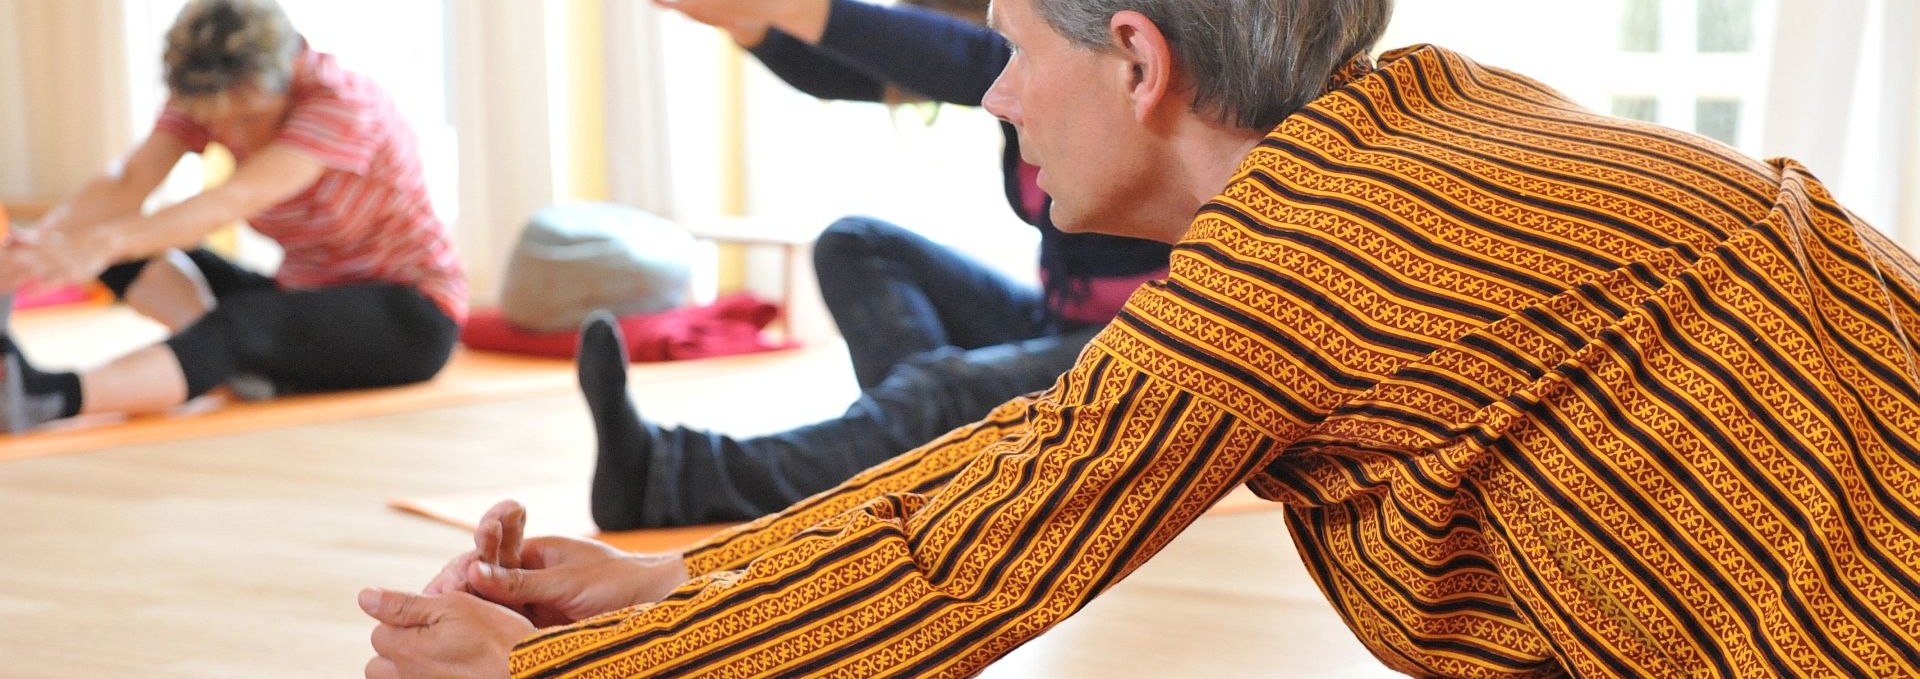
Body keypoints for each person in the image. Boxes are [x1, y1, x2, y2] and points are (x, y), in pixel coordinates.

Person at [362, 0, 1920, 674]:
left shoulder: (1293, 261)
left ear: (1136, 57)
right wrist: (671, 578)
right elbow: (998, 481)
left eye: (1010, 50)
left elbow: (962, 567)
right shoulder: (1457, 112)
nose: (992, 92)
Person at [582, 0, 1172, 529]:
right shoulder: (1032, 71)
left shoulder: (1099, 51)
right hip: (1060, 321)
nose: (1003, 88)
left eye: (1019, 50)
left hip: (1154, 337)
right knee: (855, 245)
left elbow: (966, 59)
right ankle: (927, 456)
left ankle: (667, 478)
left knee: (939, 389)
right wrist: (752, 25)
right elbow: (855, 69)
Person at [0, 0, 465, 434]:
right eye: (217, 120)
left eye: (248, 118)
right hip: (300, 296)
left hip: (411, 316)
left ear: (290, 69)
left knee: (238, 317)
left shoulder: (342, 103)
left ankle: (43, 396)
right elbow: (128, 182)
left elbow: (232, 199)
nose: (228, 133)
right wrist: (34, 246)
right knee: (118, 253)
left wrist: (93, 243)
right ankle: (248, 365)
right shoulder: (209, 93)